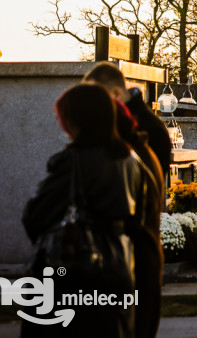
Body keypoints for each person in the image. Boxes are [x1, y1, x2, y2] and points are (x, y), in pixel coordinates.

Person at [23, 83, 148, 337]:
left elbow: (35, 217)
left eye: (64, 118)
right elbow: (139, 218)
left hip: (77, 270)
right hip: (120, 266)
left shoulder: (73, 162)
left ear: (77, 120)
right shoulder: (131, 159)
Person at [82, 63, 165, 338]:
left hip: (133, 251)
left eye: (98, 99)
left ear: (116, 95)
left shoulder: (142, 133)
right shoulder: (142, 129)